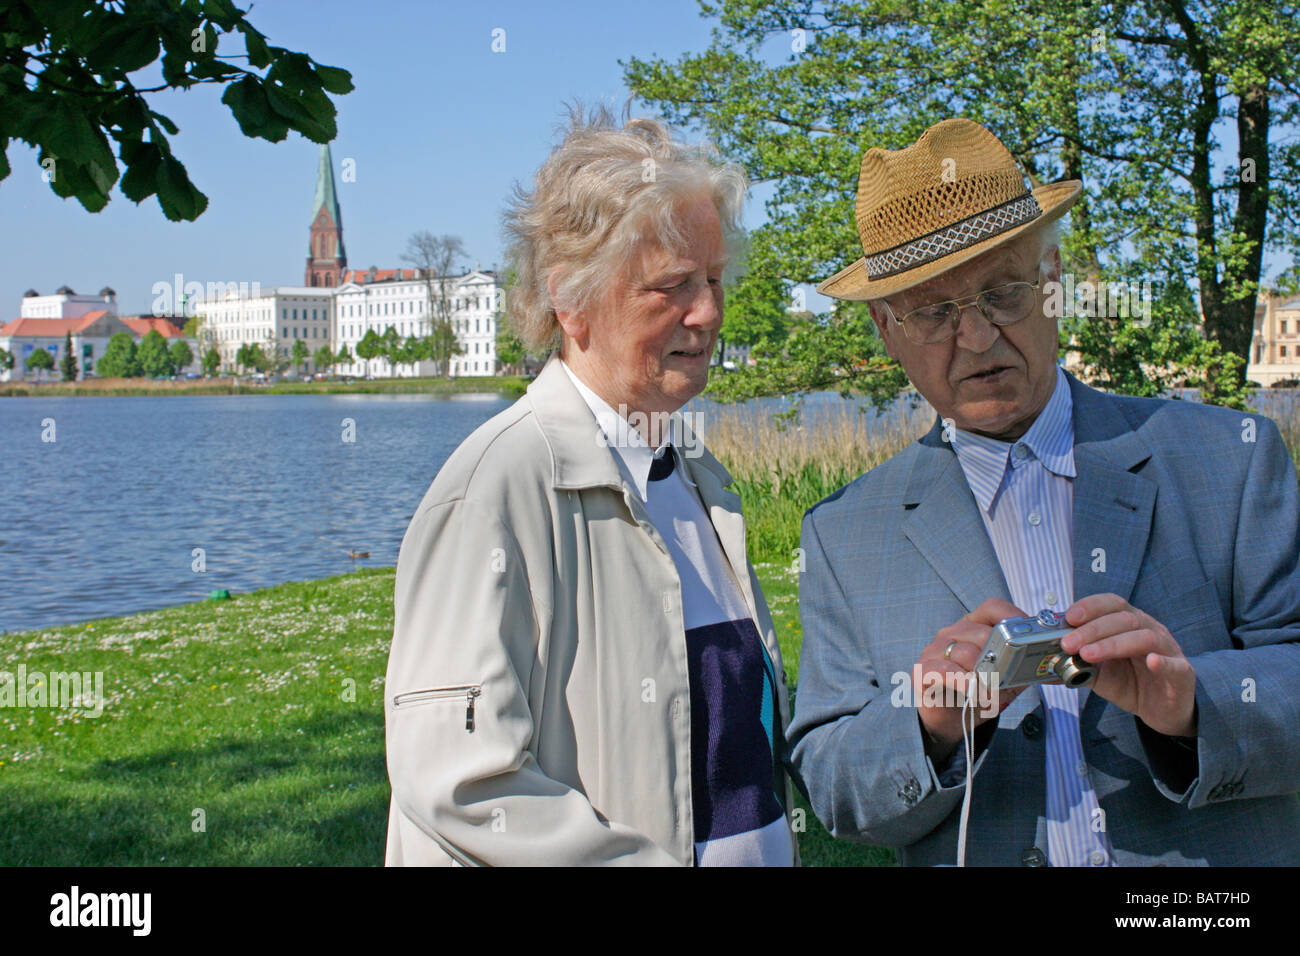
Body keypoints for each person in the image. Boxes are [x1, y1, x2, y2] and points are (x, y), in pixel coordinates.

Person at [788, 117, 1300, 866]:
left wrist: (1192, 704)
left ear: (1053, 284)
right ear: (886, 328)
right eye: (933, 311)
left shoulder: (1231, 458)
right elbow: (831, 784)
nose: (977, 337)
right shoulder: (843, 532)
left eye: (1003, 293)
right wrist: (925, 723)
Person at [383, 107, 798, 866]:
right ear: (570, 301)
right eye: (671, 285)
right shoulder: (494, 491)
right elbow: (462, 786)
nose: (707, 312)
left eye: (711, 278)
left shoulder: (700, 482)